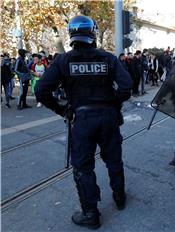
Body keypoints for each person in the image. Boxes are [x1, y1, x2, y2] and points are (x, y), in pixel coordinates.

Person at [35, 15, 132, 229]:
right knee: (114, 160)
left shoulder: (62, 61)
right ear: (93, 33)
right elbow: (126, 87)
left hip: (82, 120)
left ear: (71, 34)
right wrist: (112, 104)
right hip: (108, 118)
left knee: (83, 168)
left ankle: (91, 214)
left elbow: (40, 90)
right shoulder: (108, 58)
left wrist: (62, 110)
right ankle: (119, 197)